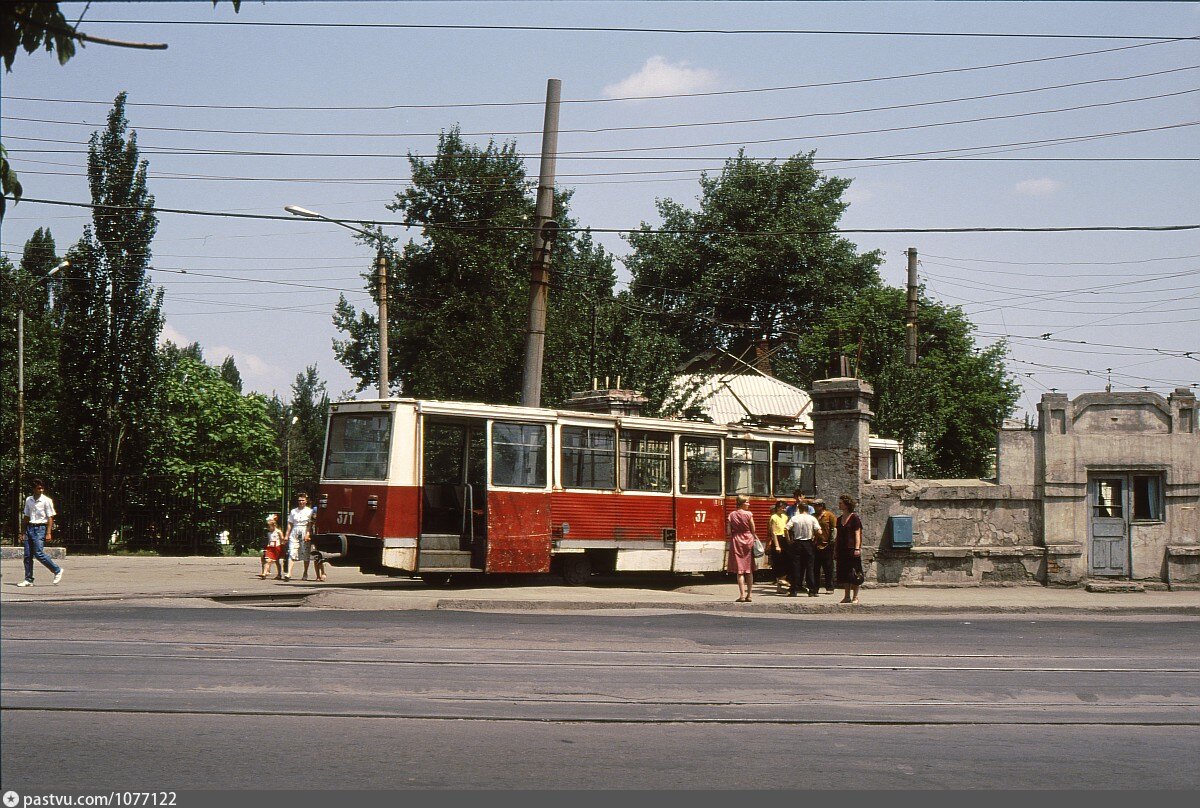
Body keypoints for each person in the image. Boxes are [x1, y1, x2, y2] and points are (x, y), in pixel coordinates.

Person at [19, 479, 63, 587]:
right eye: (39, 488)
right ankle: (28, 579)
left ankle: (57, 570)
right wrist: (22, 532)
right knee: (27, 555)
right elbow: (26, 516)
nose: (41, 490)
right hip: (30, 527)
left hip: (40, 529)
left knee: (38, 553)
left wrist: (48, 532)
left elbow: (50, 517)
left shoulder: (46, 500)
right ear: (34, 489)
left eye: (42, 488)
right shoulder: (29, 500)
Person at [786, 498, 822, 597]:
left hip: (797, 543)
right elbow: (819, 531)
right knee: (809, 567)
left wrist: (789, 540)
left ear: (800, 509)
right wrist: (814, 537)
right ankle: (812, 590)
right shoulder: (812, 518)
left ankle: (794, 590)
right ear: (807, 509)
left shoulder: (794, 518)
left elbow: (786, 528)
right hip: (808, 543)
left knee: (796, 567)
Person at [726, 495, 758, 603]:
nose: (749, 504)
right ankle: (749, 595)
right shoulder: (749, 514)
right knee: (749, 570)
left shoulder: (731, 515)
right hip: (748, 539)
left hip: (736, 541)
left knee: (740, 571)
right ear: (742, 503)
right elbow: (753, 528)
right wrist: (751, 536)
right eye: (747, 502)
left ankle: (742, 595)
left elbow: (729, 532)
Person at [836, 494, 864, 604]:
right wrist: (835, 550)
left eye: (841, 503)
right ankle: (846, 596)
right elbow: (838, 536)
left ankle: (855, 597)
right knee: (844, 573)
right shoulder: (839, 519)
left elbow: (857, 534)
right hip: (842, 549)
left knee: (855, 573)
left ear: (846, 505)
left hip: (852, 549)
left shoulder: (854, 518)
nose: (839, 504)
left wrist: (857, 548)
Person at [285, 492, 314, 581]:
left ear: (306, 501)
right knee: (292, 551)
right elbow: (290, 524)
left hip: (304, 530)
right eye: (299, 500)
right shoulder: (293, 511)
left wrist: (308, 534)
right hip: (295, 530)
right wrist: (287, 535)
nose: (301, 502)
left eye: (302, 500)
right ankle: (289, 573)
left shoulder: (309, 511)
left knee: (305, 552)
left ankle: (305, 572)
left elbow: (310, 524)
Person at [812, 498, 837, 594]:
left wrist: (832, 541)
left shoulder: (829, 515)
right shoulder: (813, 516)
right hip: (815, 544)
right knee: (815, 567)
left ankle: (829, 587)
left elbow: (834, 529)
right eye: (814, 506)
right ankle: (815, 587)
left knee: (828, 567)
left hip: (827, 544)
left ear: (822, 506)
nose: (815, 507)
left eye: (817, 505)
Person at [767, 500, 791, 594]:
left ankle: (781, 582)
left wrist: (789, 541)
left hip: (784, 539)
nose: (784, 509)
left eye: (785, 507)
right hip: (777, 539)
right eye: (782, 507)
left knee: (786, 561)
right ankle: (780, 585)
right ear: (778, 508)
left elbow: (786, 530)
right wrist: (777, 545)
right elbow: (773, 532)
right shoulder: (773, 517)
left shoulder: (785, 517)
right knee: (779, 563)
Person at [259, 514, 284, 580]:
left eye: (269, 527)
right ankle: (264, 573)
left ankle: (279, 574)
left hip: (277, 547)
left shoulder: (278, 532)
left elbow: (282, 539)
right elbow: (269, 540)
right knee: (267, 560)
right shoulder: (269, 533)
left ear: (274, 525)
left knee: (277, 561)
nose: (268, 528)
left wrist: (282, 546)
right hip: (270, 548)